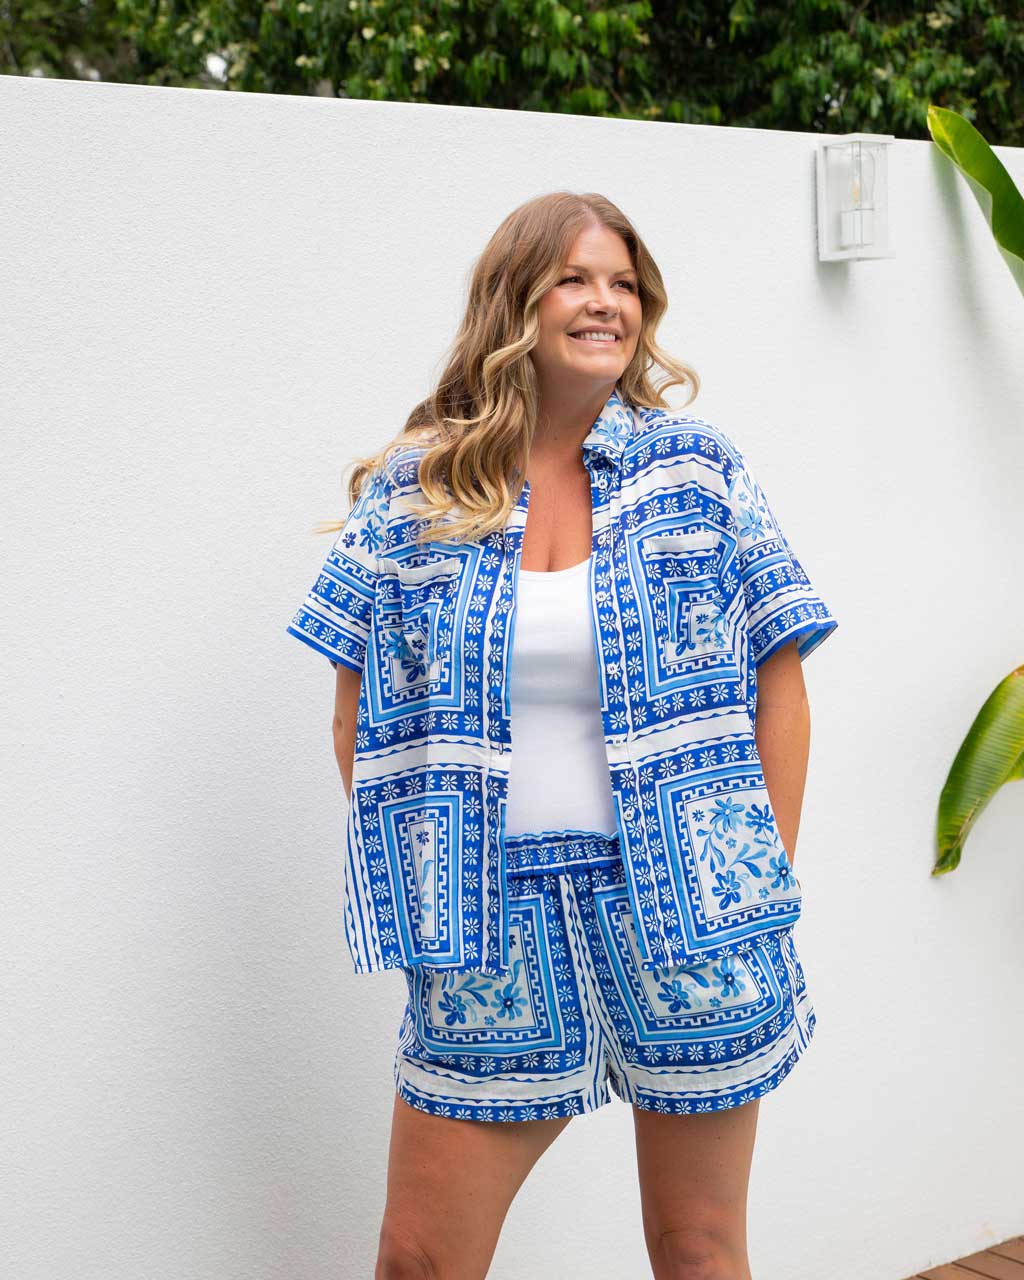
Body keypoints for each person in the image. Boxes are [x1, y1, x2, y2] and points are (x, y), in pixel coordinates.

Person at [286, 190, 838, 1280]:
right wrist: (433, 876)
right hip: (492, 925)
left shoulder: (696, 467)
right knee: (418, 1256)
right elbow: (355, 706)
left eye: (624, 282)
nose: (604, 303)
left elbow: (782, 676)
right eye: (576, 278)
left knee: (697, 1245)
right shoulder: (420, 486)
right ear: (517, 300)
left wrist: (747, 875)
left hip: (689, 916)